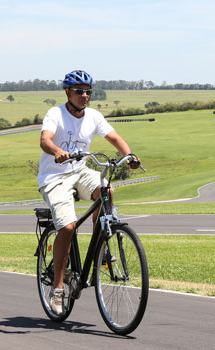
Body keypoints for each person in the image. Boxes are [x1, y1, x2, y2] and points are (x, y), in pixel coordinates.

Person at [37, 70, 139, 315]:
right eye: (79, 91)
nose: (84, 96)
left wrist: (129, 155)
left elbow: (114, 137)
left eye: (88, 92)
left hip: (80, 172)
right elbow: (45, 140)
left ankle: (101, 246)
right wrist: (57, 151)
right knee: (68, 227)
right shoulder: (56, 114)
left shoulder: (93, 116)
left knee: (107, 189)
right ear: (67, 93)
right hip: (55, 176)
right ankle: (59, 289)